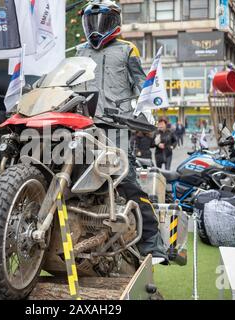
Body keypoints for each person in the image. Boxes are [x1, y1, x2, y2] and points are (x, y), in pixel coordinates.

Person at [77, 0, 167, 262]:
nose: (96, 28)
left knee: (125, 180)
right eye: (91, 22)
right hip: (84, 124)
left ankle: (152, 243)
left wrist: (145, 110)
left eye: (102, 22)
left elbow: (142, 84)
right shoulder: (80, 52)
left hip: (116, 126)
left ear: (114, 22)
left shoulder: (128, 49)